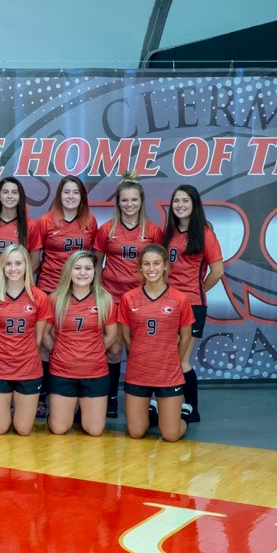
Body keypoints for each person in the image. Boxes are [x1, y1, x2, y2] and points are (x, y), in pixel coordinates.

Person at [93, 172, 162, 418]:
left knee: (140, 350)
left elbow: (159, 267)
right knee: (112, 349)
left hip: (140, 300)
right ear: (118, 202)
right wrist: (100, 295)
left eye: (134, 200)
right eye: (124, 200)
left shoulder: (153, 231)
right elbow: (96, 266)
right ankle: (111, 398)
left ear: (141, 201)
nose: (129, 205)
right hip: (112, 297)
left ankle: (147, 402)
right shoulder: (106, 230)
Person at [0, 176, 41, 422]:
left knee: (19, 340)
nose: (10, 196)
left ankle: (22, 398)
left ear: (20, 197)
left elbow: (34, 259)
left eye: (15, 192)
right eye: (6, 192)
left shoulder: (29, 226)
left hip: (20, 288)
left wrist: (22, 284)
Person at [33, 175, 97, 417]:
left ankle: (73, 395)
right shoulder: (45, 221)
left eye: (75, 193)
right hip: (50, 288)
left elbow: (92, 260)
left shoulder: (90, 222)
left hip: (79, 291)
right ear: (59, 195)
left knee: (73, 340)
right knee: (45, 343)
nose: (70, 197)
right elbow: (36, 259)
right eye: (66, 192)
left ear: (82, 197)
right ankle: (43, 395)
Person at [118, 244, 194, 442]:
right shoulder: (128, 298)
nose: (151, 269)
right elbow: (126, 335)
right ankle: (152, 411)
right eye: (147, 264)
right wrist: (137, 353)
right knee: (136, 433)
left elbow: (185, 336)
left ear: (165, 266)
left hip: (168, 373)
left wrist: (173, 361)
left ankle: (183, 415)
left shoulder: (180, 299)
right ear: (140, 268)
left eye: (156, 264)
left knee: (170, 435)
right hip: (138, 372)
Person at [162, 185, 224, 423]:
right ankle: (171, 407)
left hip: (192, 306)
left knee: (181, 359)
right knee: (169, 358)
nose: (179, 205)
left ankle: (191, 409)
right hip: (167, 306)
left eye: (185, 201)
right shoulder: (170, 233)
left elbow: (217, 271)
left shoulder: (205, 233)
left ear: (194, 204)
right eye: (176, 201)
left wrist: (195, 294)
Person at [0, 244, 52, 435]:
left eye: (18, 263)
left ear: (27, 265)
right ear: (2, 267)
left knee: (23, 429)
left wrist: (22, 353)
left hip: (28, 368)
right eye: (8, 264)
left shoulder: (39, 298)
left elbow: (38, 338)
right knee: (1, 429)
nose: (13, 268)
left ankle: (11, 411)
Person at [44, 251, 118, 436]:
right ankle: (59, 412)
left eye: (88, 268)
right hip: (62, 371)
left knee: (94, 431)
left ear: (95, 272)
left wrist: (93, 353)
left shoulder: (105, 300)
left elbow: (112, 335)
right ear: (69, 271)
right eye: (77, 268)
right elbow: (45, 333)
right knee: (59, 429)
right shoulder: (56, 299)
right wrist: (60, 351)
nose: (82, 273)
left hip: (95, 372)